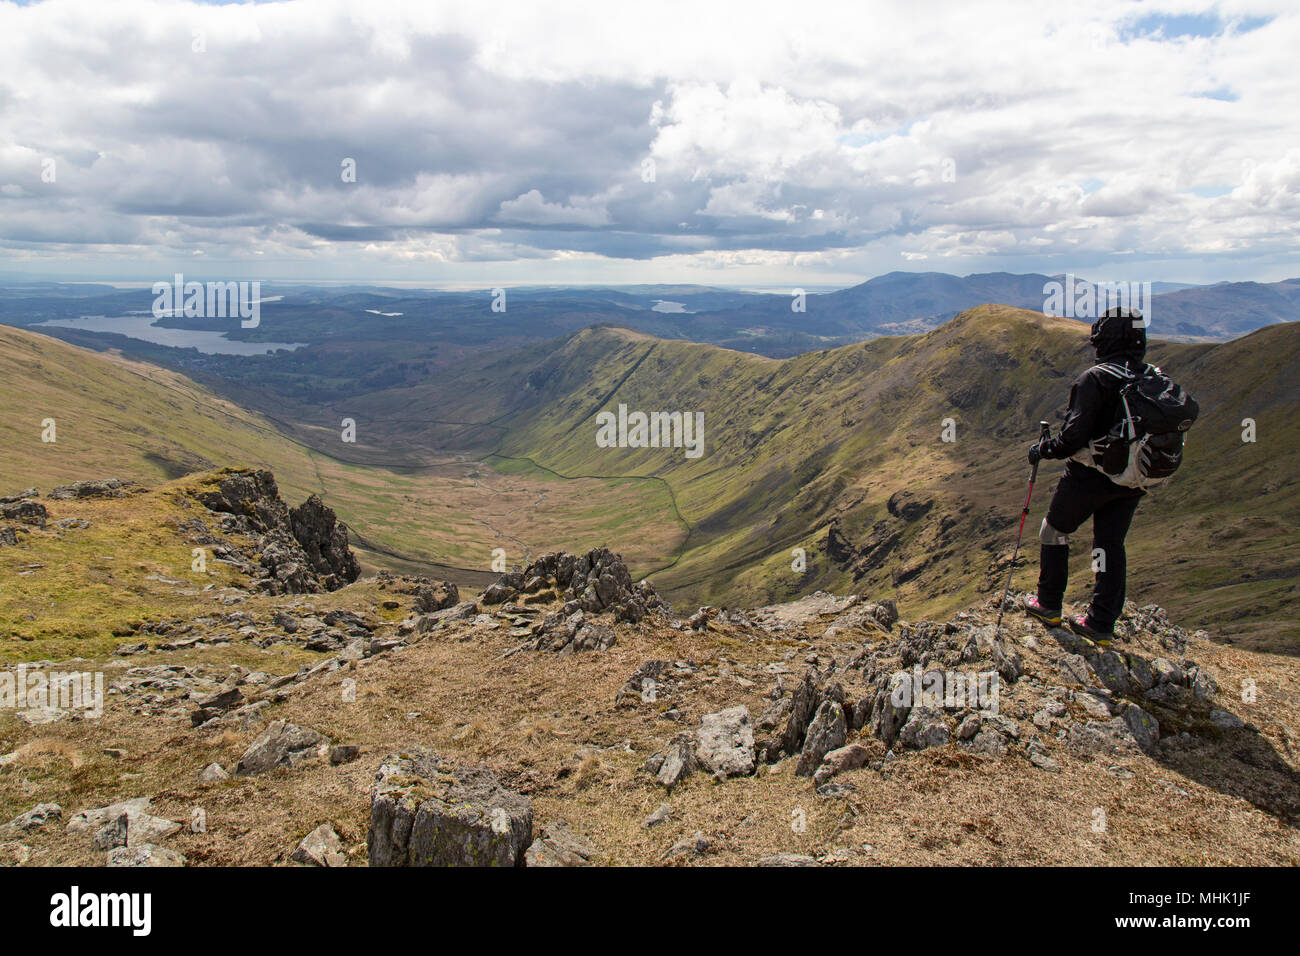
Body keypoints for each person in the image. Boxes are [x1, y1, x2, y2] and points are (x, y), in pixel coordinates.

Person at [1023, 306, 1149, 645]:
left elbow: (1072, 440)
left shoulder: (1096, 378)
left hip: (1090, 475)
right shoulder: (1149, 376)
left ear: (1105, 340)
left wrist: (1042, 450)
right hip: (1132, 478)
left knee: (1054, 531)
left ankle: (1048, 604)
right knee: (1109, 544)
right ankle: (1101, 624)